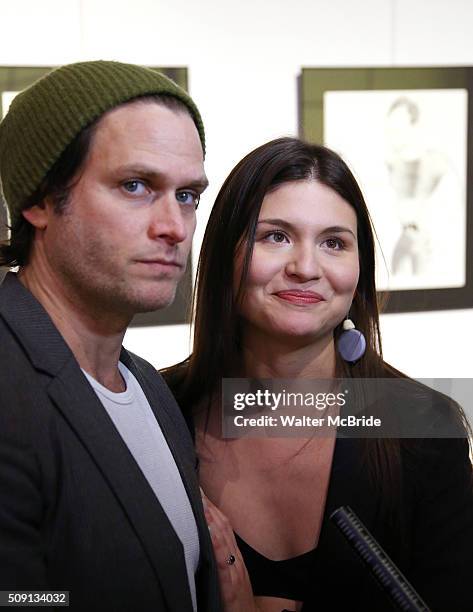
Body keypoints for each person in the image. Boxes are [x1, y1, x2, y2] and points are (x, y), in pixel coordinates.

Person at [163, 137, 473, 612]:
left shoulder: (425, 427)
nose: (306, 267)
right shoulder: (159, 408)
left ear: (358, 268)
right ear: (225, 254)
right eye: (275, 236)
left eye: (333, 243)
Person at [0, 60, 221, 611]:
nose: (174, 227)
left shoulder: (147, 386)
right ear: (40, 200)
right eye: (136, 185)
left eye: (188, 195)